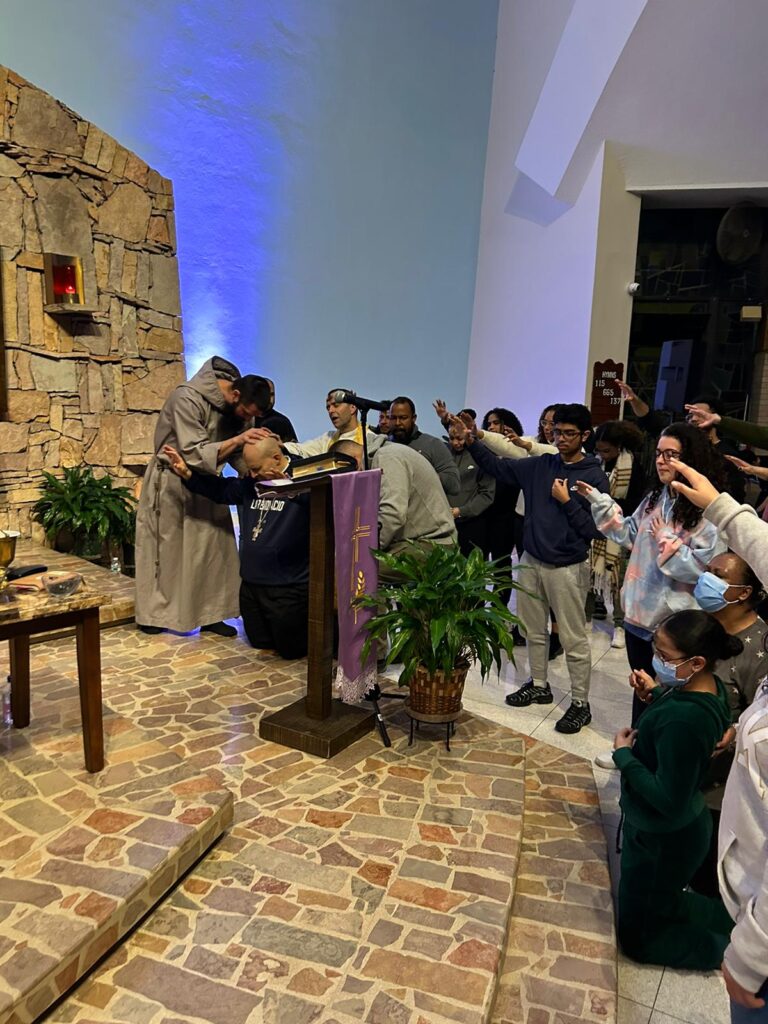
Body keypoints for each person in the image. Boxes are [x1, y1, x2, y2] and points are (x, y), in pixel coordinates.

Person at [669, 461, 768, 1018]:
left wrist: (751, 953)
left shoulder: (758, 647)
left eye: (720, 574)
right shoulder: (707, 624)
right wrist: (723, 508)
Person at [453, 403, 610, 734]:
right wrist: (471, 441)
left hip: (567, 565)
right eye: (557, 432)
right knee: (531, 629)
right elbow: (498, 467)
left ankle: (581, 704)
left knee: (572, 638)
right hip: (532, 560)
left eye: (569, 433)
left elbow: (595, 530)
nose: (561, 438)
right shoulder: (541, 464)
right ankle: (539, 683)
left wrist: (568, 502)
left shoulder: (594, 475)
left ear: (584, 436)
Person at [577, 423, 726, 740]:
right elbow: (628, 534)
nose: (662, 460)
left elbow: (705, 572)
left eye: (671, 454)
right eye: (659, 453)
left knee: (670, 700)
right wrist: (599, 501)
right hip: (638, 618)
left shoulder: (708, 513)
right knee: (642, 688)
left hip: (676, 625)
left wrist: (667, 540)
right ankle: (634, 749)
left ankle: (655, 762)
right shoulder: (655, 499)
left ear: (691, 459)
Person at [611, 610, 736, 970]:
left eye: (664, 656)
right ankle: (731, 924)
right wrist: (656, 695)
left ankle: (726, 951)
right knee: (661, 900)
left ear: (696, 661)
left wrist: (624, 756)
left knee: (638, 938)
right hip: (679, 826)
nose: (656, 660)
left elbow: (667, 798)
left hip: (663, 835)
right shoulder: (706, 686)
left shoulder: (684, 717)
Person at [134, 357, 269, 636]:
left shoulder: (238, 409)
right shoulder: (187, 398)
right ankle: (153, 613)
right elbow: (194, 451)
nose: (246, 419)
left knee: (213, 550)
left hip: (209, 482)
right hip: (173, 478)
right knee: (168, 550)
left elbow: (238, 452)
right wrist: (239, 441)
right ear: (235, 394)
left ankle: (211, 613)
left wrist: (255, 473)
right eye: (245, 412)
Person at [162, 437, 311, 659]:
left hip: (287, 587)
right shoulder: (253, 482)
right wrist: (187, 474)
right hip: (252, 586)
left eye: (256, 469)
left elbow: (330, 507)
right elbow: (223, 490)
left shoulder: (306, 478)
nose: (251, 475)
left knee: (291, 652)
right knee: (259, 643)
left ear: (277, 458)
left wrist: (293, 491)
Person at [690, 551, 767, 897]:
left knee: (707, 875)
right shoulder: (700, 625)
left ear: (743, 592)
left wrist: (734, 731)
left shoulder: (760, 648)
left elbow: (761, 717)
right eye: (707, 570)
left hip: (719, 788)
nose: (706, 578)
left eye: (717, 574)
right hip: (685, 768)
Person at [330, 433, 456, 561]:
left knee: (352, 570)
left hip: (434, 545)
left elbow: (393, 513)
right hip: (420, 540)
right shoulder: (385, 453)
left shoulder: (387, 456)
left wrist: (362, 550)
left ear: (354, 462)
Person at [589, 420, 647, 649]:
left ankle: (619, 625)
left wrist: (604, 504)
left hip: (621, 529)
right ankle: (589, 616)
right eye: (599, 450)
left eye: (607, 451)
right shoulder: (594, 464)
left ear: (619, 447)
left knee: (618, 579)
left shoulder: (634, 467)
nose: (602, 455)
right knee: (590, 573)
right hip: (592, 527)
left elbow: (634, 503)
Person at [388, 397, 461, 500]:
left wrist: (425, 474)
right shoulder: (383, 446)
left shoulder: (432, 445)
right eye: (393, 418)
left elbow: (454, 485)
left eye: (403, 418)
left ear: (413, 418)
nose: (398, 423)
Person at [445, 422, 495, 556]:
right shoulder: (443, 454)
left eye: (460, 438)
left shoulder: (481, 456)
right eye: (451, 438)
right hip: (445, 523)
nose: (456, 443)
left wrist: (462, 511)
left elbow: (486, 494)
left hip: (472, 523)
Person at [285, 388, 371, 457]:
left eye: (336, 405)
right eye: (328, 407)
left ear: (352, 407)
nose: (330, 410)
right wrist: (279, 445)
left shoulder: (369, 437)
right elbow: (302, 448)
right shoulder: (328, 438)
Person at [251, 376, 297, 442]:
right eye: (265, 395)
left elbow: (294, 449)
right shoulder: (246, 419)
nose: (270, 399)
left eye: (272, 394)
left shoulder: (282, 422)